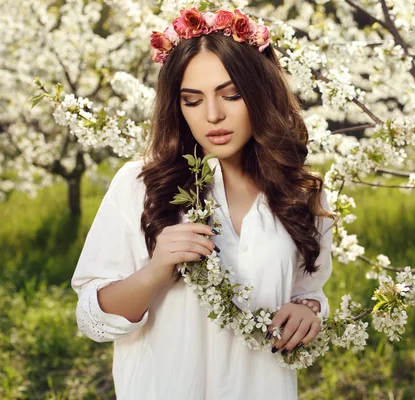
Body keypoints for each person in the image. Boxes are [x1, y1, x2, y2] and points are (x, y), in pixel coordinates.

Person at [71, 7, 336, 400]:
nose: (213, 115)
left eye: (232, 95)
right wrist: (157, 269)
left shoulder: (300, 192)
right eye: (192, 100)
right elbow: (92, 320)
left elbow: (305, 290)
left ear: (260, 93)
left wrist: (307, 311)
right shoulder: (140, 186)